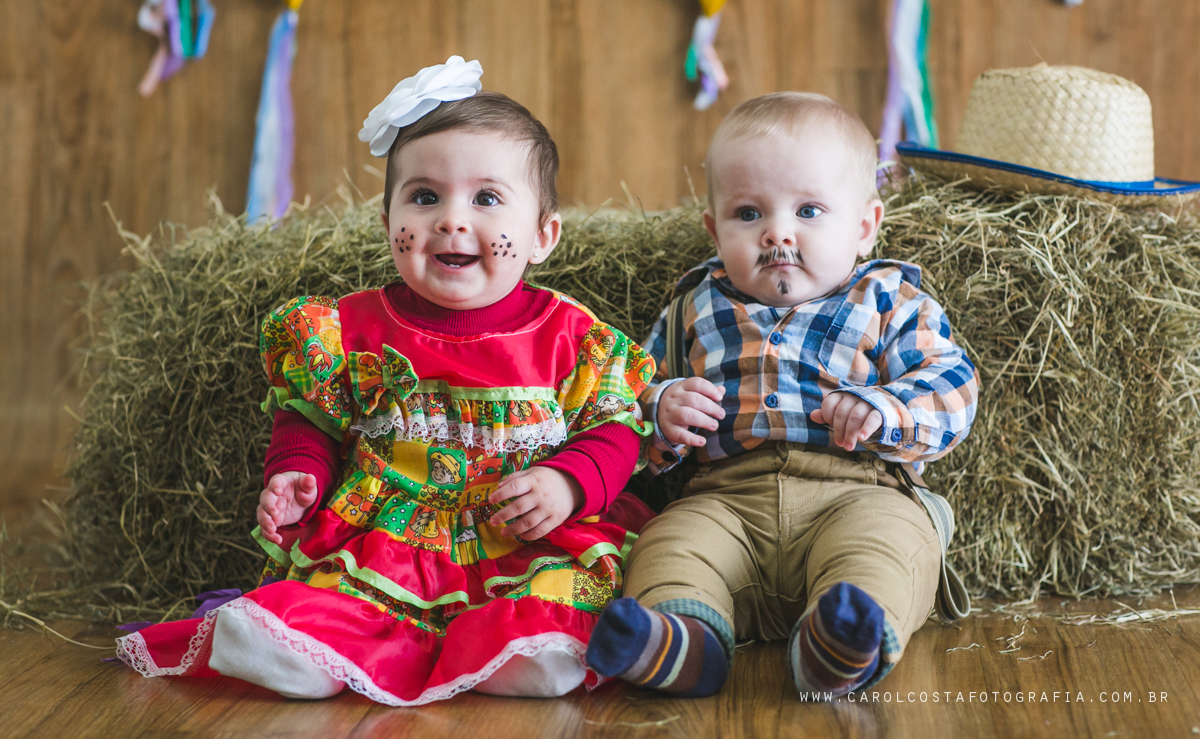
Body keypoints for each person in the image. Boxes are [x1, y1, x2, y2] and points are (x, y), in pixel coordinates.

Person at [116, 57, 656, 706]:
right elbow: (311, 415)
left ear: (543, 235)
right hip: (388, 540)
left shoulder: (571, 337)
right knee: (330, 604)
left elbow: (617, 430)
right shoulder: (352, 329)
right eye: (424, 197)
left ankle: (516, 652)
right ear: (386, 224)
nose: (452, 220)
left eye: (486, 198)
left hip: (523, 533)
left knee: (553, 601)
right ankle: (302, 651)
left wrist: (569, 484)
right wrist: (298, 471)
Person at [585, 92, 979, 698]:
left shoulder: (888, 300)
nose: (778, 233)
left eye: (810, 211)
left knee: (890, 548)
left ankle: (841, 645)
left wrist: (884, 410)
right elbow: (625, 395)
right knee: (671, 543)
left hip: (857, 491)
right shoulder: (694, 306)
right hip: (724, 499)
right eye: (748, 214)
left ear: (865, 226)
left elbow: (952, 385)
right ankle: (682, 641)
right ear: (714, 230)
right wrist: (660, 410)